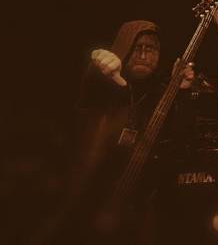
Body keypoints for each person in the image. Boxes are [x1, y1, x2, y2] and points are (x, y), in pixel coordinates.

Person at [39, 20, 194, 245]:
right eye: (136, 47)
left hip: (137, 211)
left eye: (150, 49)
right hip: (88, 206)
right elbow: (92, 87)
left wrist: (182, 94)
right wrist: (98, 64)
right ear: (124, 48)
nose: (143, 55)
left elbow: (179, 141)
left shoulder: (161, 93)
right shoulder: (107, 84)